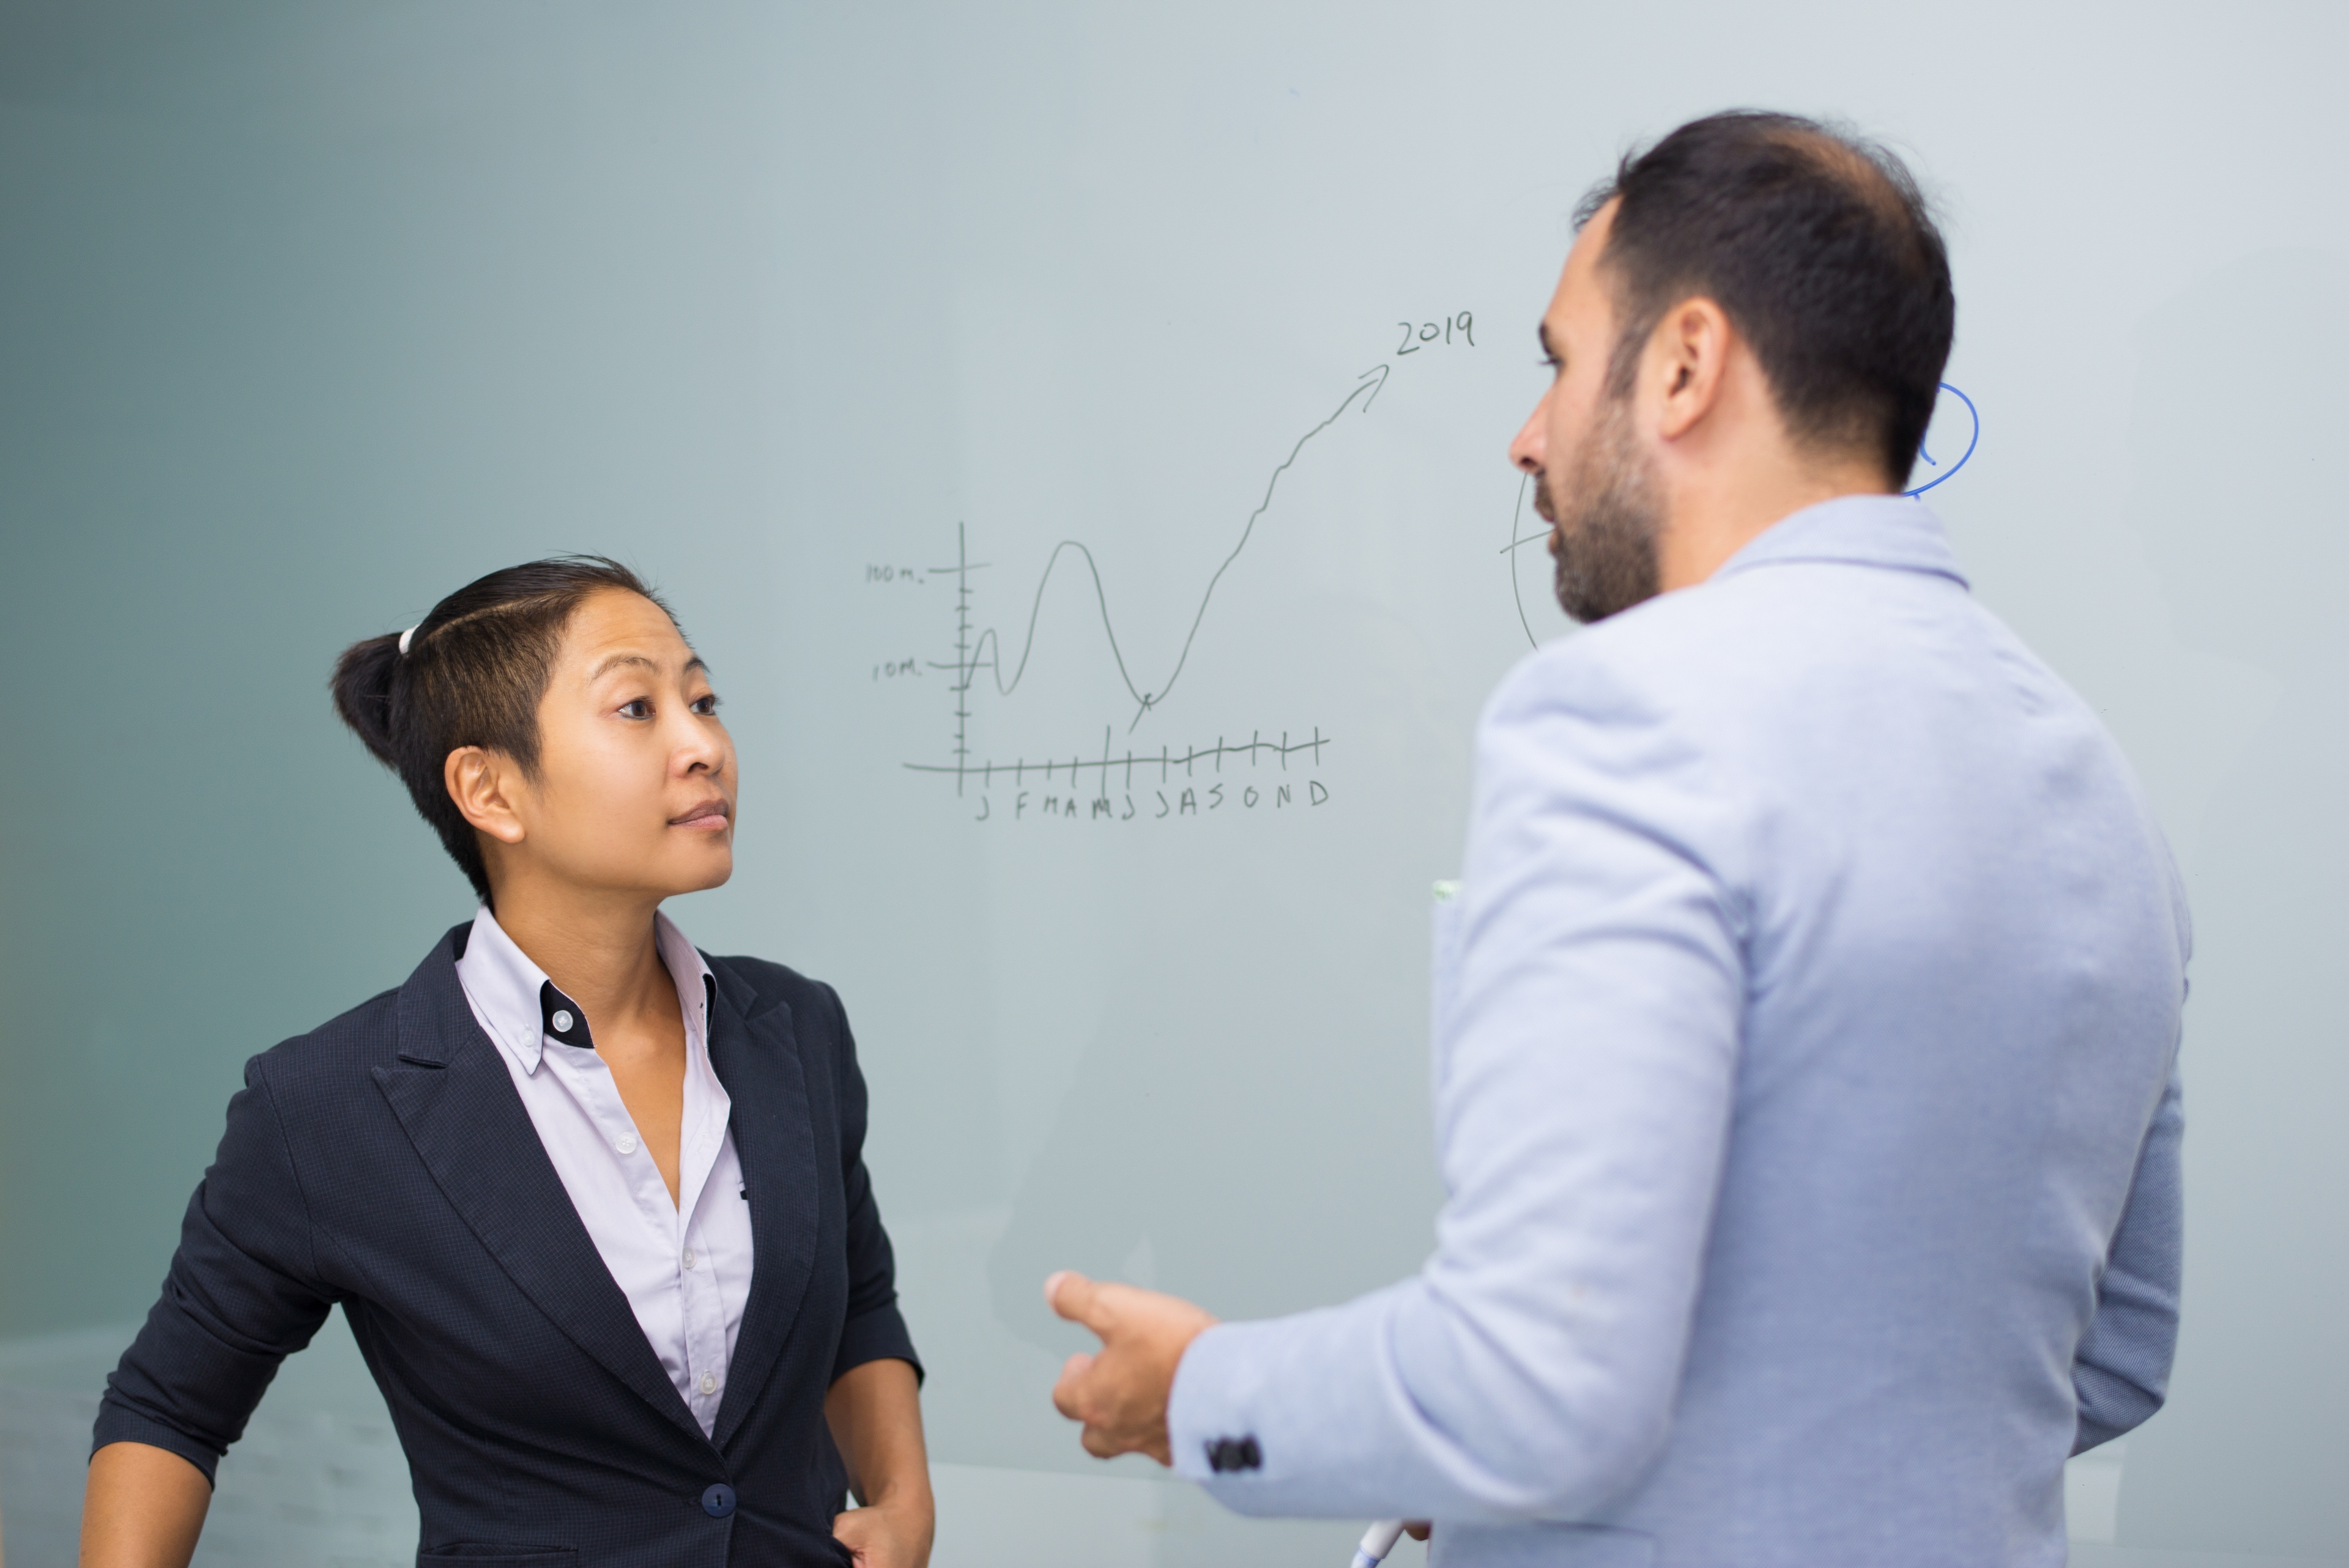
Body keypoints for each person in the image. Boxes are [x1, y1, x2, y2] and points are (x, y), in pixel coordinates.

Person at [1044, 111, 2188, 1566]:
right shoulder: (2100, 785)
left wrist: (1201, 1394)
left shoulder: (1627, 714)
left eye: (1559, 361)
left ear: (1686, 363)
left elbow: (1538, 1379)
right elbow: (2111, 1359)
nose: (1530, 434)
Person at [82, 559, 933, 1568]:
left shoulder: (796, 1028)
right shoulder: (327, 1105)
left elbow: (857, 1299)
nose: (703, 744)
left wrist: (903, 1496)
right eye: (637, 707)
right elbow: (168, 1409)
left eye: (703, 699)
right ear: (489, 790)